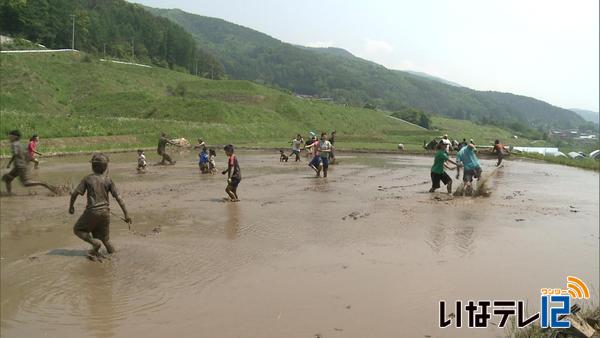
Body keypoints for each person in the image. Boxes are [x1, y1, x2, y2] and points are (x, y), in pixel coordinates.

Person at [69, 153, 131, 260]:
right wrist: (126, 215)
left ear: (92, 166)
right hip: (105, 213)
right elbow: (119, 198)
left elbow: (75, 194)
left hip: (92, 212)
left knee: (77, 230)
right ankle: (115, 257)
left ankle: (94, 244)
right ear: (105, 167)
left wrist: (71, 206)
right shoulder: (108, 180)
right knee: (106, 239)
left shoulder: (88, 179)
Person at [2, 130, 56, 195]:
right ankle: (9, 194)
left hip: (19, 167)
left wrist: (12, 164)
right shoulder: (21, 144)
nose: (9, 138)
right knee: (8, 180)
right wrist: (12, 164)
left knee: (25, 183)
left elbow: (16, 154)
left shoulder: (14, 144)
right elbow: (27, 155)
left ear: (15, 137)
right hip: (18, 166)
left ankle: (43, 184)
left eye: (10, 136)